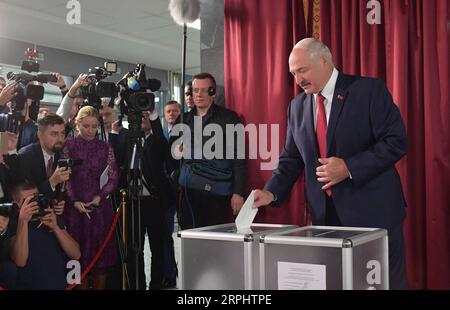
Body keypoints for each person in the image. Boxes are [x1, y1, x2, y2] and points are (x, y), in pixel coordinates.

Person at [253, 38, 408, 289]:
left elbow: (396, 141)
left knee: (382, 285)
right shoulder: (297, 106)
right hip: (326, 220)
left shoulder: (368, 91)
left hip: (374, 214)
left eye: (302, 70)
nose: (298, 79)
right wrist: (271, 192)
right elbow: (291, 158)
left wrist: (349, 167)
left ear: (324, 61)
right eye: (293, 73)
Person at [170, 73, 247, 229]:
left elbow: (239, 158)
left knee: (215, 243)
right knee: (190, 242)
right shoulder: (183, 120)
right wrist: (178, 151)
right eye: (196, 90)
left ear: (213, 93)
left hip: (217, 193)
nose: (199, 95)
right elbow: (171, 155)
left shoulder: (229, 118)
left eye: (204, 90)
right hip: (188, 192)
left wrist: (238, 192)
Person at [62, 106, 119, 290]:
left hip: (100, 210)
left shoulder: (105, 147)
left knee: (101, 260)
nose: (90, 130)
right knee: (77, 261)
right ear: (77, 124)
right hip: (75, 210)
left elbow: (113, 176)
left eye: (94, 126)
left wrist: (100, 197)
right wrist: (73, 201)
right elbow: (65, 177)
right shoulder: (68, 145)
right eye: (86, 126)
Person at [8, 179, 80, 289]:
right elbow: (20, 261)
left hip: (59, 285)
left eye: (36, 198)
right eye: (28, 201)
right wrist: (23, 221)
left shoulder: (50, 217)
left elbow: (76, 254)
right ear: (16, 205)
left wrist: (56, 227)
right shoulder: (12, 225)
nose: (34, 204)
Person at [18, 114, 70, 202]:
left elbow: (61, 192)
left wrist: (58, 203)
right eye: (54, 134)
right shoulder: (25, 157)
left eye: (62, 133)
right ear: (40, 135)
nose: (60, 139)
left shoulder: (62, 155)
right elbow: (28, 197)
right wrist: (52, 182)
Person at [162, 100, 181, 288]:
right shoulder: (159, 134)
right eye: (168, 111)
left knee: (187, 233)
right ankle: (170, 273)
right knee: (167, 234)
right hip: (165, 193)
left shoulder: (188, 132)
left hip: (185, 190)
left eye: (175, 111)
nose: (172, 114)